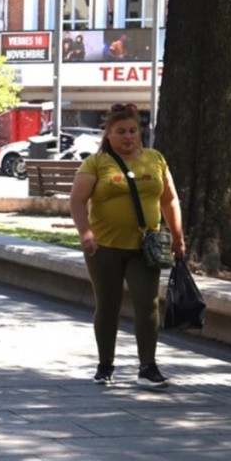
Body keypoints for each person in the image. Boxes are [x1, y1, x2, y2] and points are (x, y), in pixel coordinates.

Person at [68, 103, 184, 388]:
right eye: (120, 131)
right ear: (108, 133)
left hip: (144, 247)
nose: (128, 137)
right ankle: (105, 364)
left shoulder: (155, 159)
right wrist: (85, 233)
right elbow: (77, 199)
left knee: (147, 304)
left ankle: (148, 366)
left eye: (133, 130)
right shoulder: (96, 162)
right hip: (104, 246)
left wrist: (178, 235)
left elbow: (169, 199)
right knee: (108, 305)